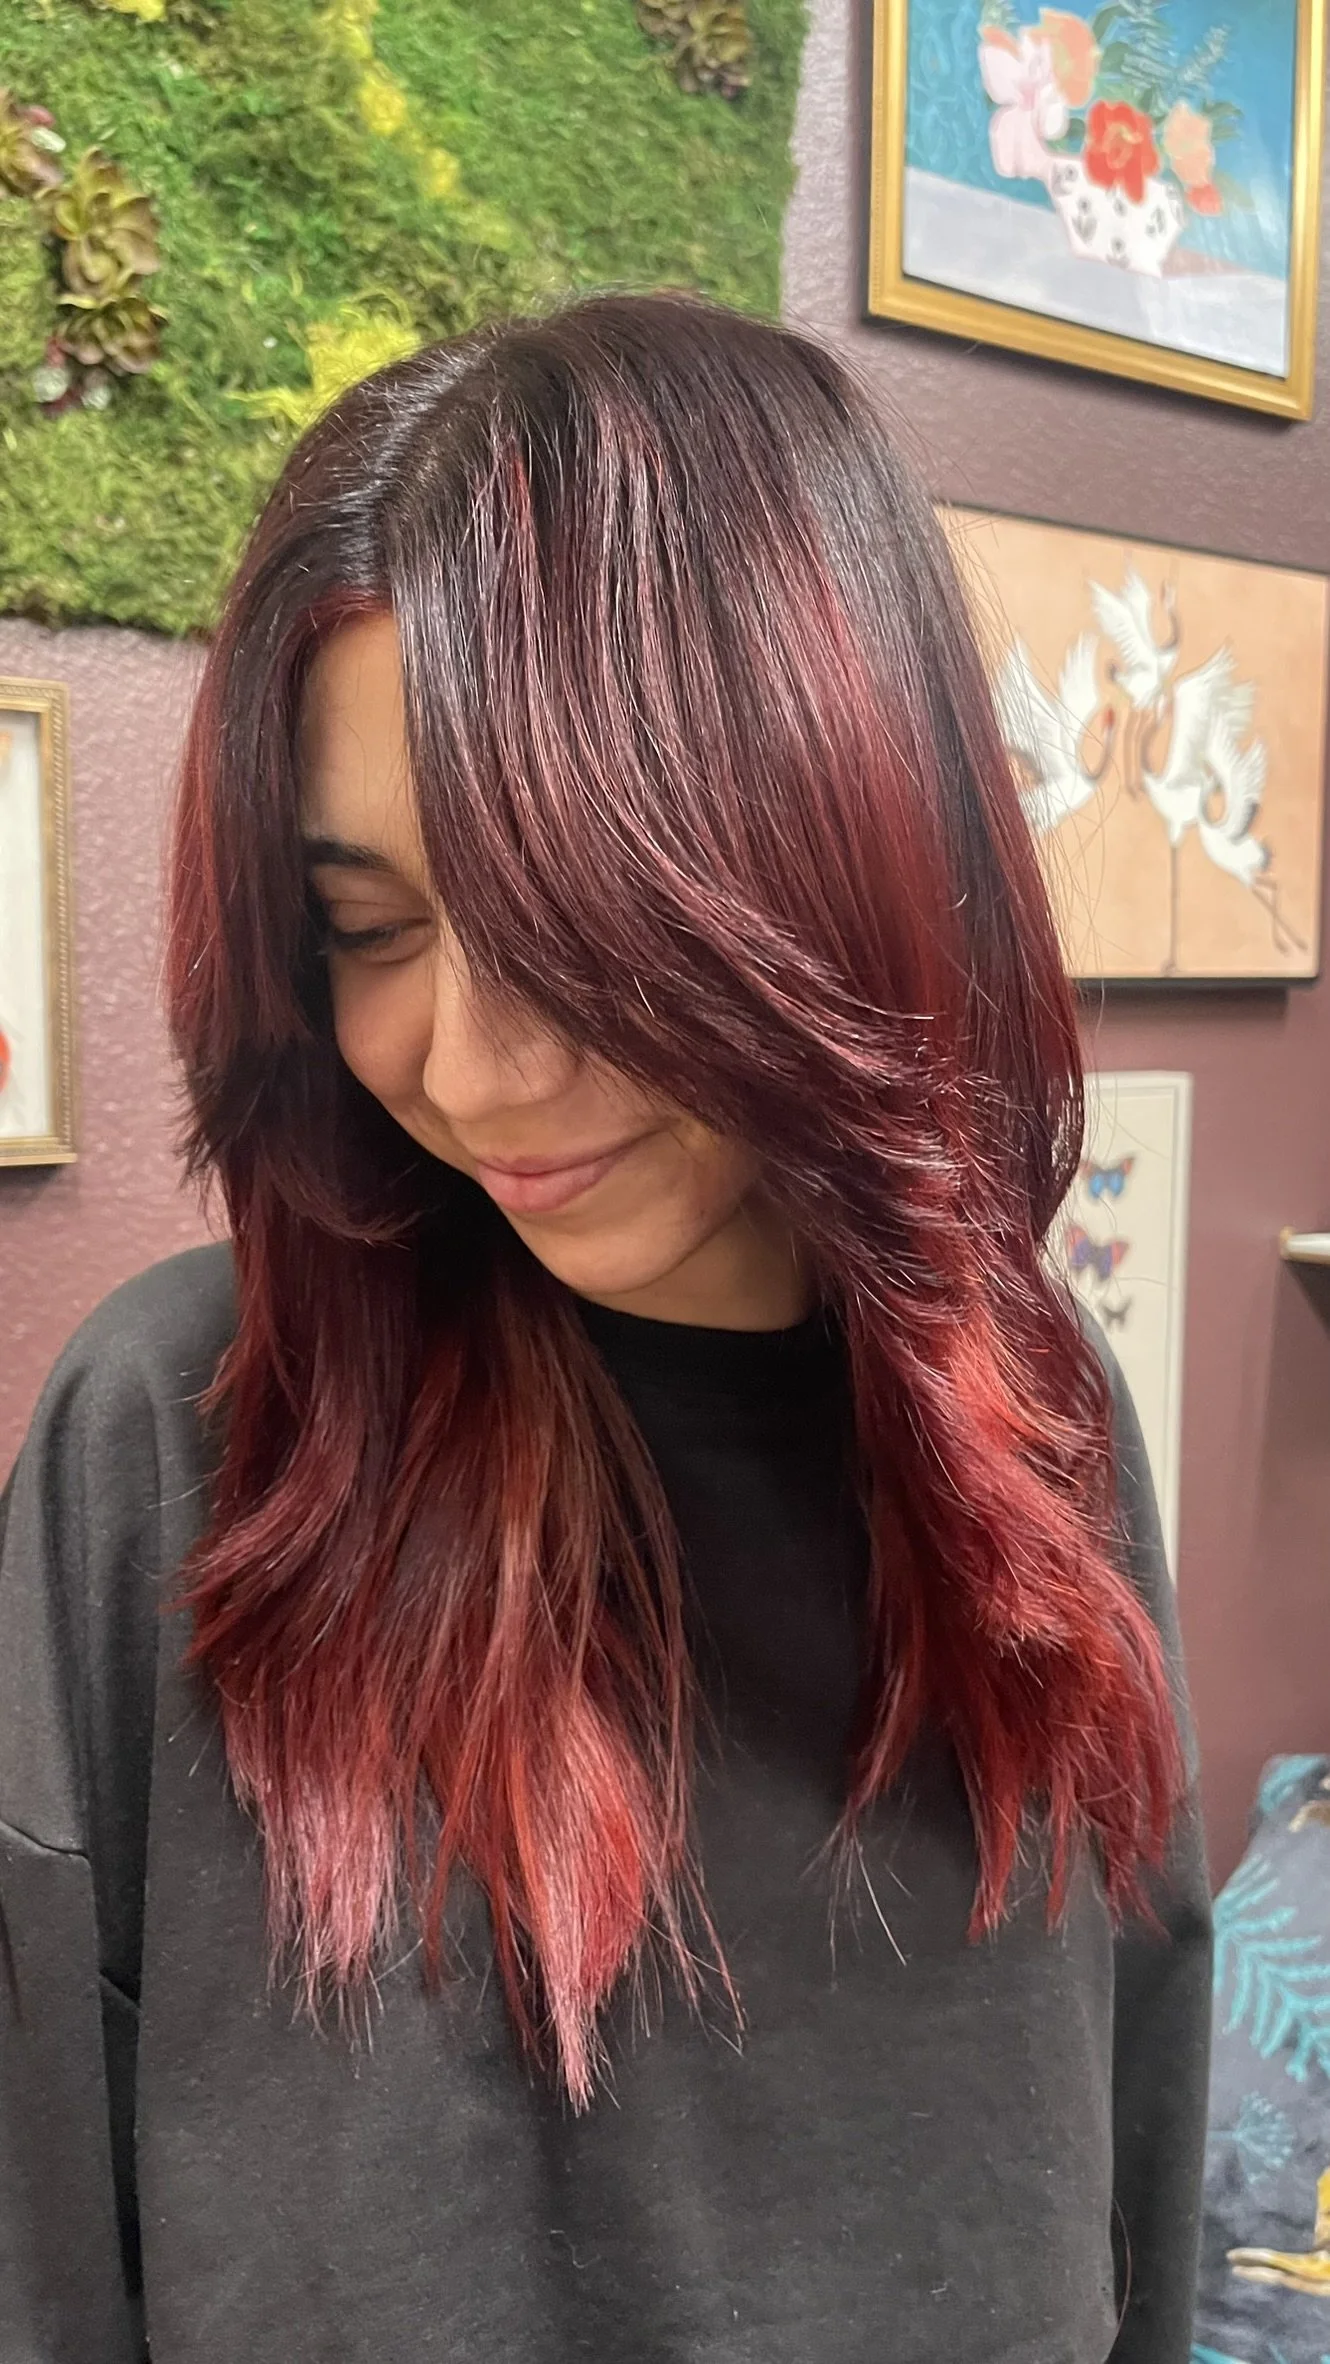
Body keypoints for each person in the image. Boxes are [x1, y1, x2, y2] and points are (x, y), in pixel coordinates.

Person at [0, 293, 1211, 2364]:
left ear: (831, 864)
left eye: (574, 935)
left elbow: (1127, 2190)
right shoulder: (184, 1448)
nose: (464, 1068)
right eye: (366, 928)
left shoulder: (1047, 1431)